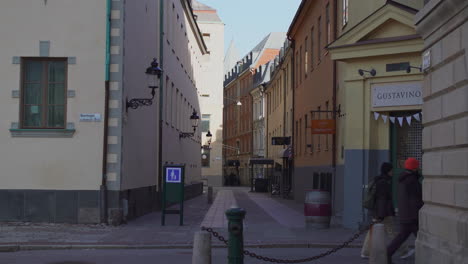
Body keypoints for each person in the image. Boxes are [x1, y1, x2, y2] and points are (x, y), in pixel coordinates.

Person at [387, 157, 423, 263]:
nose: (419, 168)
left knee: (402, 236)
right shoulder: (412, 180)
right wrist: (417, 214)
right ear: (414, 167)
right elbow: (415, 200)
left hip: (406, 214)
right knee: (423, 237)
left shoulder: (403, 179)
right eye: (417, 166)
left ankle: (387, 253)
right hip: (412, 216)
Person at [361, 162, 395, 258]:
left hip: (379, 211)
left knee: (372, 231)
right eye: (391, 170)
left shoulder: (379, 180)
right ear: (387, 171)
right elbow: (382, 199)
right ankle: (403, 250)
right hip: (383, 212)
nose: (393, 172)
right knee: (392, 232)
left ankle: (366, 252)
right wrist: (381, 215)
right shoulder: (383, 182)